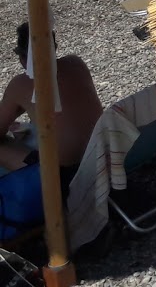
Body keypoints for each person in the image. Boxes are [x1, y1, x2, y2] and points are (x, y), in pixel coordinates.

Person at [1, 24, 103, 179]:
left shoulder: (21, 84)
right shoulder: (76, 64)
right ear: (54, 47)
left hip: (62, 177)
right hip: (102, 157)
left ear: (22, 57)